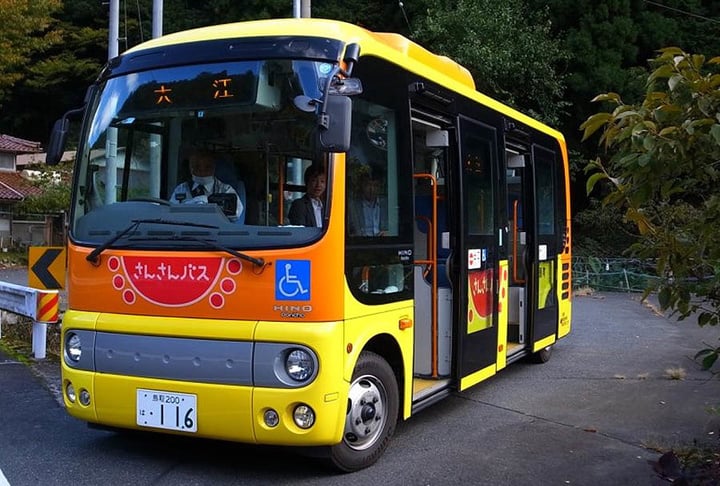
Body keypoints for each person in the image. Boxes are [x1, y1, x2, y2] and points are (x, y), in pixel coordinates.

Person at [170, 148, 244, 221]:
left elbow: (236, 214)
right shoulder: (181, 189)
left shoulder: (225, 190)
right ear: (190, 168)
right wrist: (190, 205)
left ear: (214, 168)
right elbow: (171, 214)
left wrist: (210, 204)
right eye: (197, 167)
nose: (202, 171)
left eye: (207, 167)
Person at [349, 172, 386, 236]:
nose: (372, 189)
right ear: (362, 186)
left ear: (380, 187)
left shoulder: (387, 205)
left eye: (375, 185)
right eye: (368, 185)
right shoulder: (353, 206)